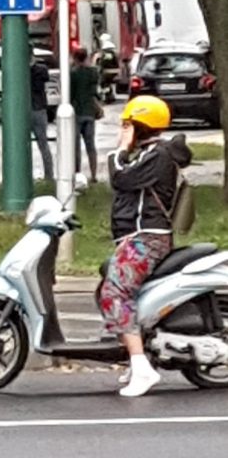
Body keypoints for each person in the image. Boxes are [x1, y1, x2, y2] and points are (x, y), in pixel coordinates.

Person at [99, 96, 192, 397]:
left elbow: (121, 179)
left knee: (116, 293)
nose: (123, 130)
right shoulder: (151, 154)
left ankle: (142, 367)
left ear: (141, 126)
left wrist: (120, 149)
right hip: (136, 237)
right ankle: (136, 357)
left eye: (128, 125)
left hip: (146, 238)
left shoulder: (157, 156)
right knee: (109, 289)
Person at [70, 47, 100, 182]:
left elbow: (70, 94)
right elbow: (95, 93)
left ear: (75, 58)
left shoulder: (72, 74)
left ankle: (77, 174)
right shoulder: (93, 72)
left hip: (77, 113)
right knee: (91, 146)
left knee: (76, 147)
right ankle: (93, 175)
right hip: (89, 112)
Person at [29, 46, 54, 181]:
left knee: (24, 145)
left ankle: (28, 175)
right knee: (43, 144)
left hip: (29, 109)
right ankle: (49, 175)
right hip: (40, 108)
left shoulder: (22, 70)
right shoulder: (41, 69)